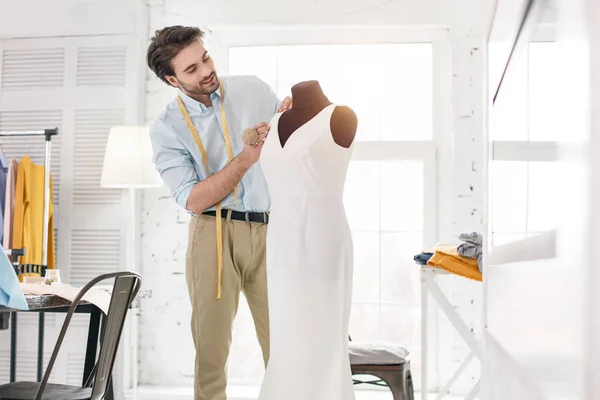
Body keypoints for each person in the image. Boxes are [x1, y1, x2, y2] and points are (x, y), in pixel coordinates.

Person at [145, 25, 291, 400]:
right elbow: (192, 199)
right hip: (212, 234)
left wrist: (291, 115)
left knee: (286, 347)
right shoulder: (166, 128)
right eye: (191, 69)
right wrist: (244, 160)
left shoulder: (252, 89)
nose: (206, 70)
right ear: (171, 79)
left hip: (269, 230)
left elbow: (285, 140)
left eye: (205, 58)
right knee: (211, 355)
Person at [258, 80, 358, 399]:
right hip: (280, 237)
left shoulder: (340, 116)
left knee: (322, 332)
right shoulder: (275, 121)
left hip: (323, 234)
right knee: (287, 332)